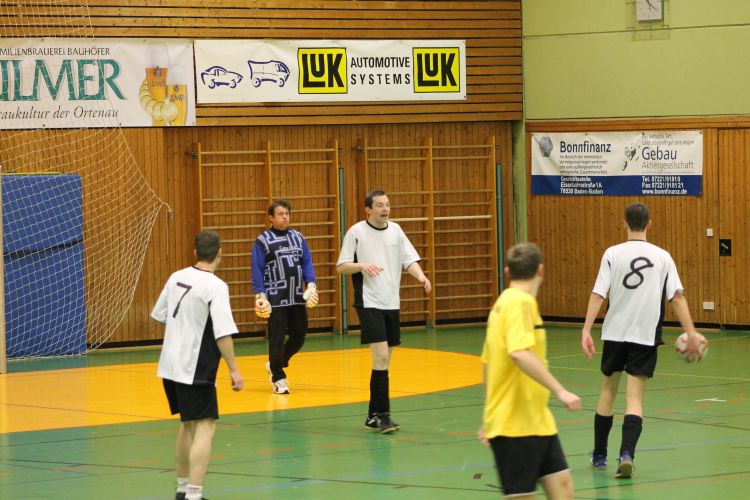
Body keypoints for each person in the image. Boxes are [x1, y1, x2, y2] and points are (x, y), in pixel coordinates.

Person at [581, 202, 703, 479]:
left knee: (607, 392)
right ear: (649, 223)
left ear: (624, 223)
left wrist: (586, 329)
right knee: (634, 398)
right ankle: (627, 455)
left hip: (615, 333)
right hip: (645, 336)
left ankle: (599, 455)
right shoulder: (663, 257)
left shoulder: (612, 253)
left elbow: (598, 294)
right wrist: (691, 333)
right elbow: (677, 298)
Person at [478, 242, 581, 499]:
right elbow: (519, 352)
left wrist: (488, 415)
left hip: (538, 421)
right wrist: (560, 390)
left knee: (563, 487)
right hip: (515, 426)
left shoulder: (503, 303)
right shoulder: (519, 303)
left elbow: (487, 362)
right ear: (541, 270)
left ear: (507, 272)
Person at [151, 229, 244, 500]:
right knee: (205, 426)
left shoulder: (176, 277)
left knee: (187, 424)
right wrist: (234, 369)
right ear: (220, 253)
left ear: (195, 252)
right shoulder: (216, 286)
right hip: (195, 366)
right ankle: (194, 494)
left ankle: (182, 489)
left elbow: (160, 314)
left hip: (170, 364)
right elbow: (223, 333)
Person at [336, 189, 431, 434]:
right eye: (379, 205)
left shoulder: (396, 230)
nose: (385, 209)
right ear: (368, 210)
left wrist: (421, 276)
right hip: (369, 301)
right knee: (380, 356)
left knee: (384, 361)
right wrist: (362, 266)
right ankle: (383, 415)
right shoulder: (356, 232)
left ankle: (372, 415)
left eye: (387, 204)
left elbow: (408, 260)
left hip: (391, 302)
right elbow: (342, 266)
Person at [252, 199, 318, 395]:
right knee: (277, 338)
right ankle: (278, 378)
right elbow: (257, 268)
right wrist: (259, 294)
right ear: (271, 218)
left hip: (296, 296)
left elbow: (306, 262)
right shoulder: (263, 241)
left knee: (299, 335)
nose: (285, 217)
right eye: (280, 214)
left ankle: (276, 363)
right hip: (275, 298)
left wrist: (311, 284)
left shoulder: (298, 237)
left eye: (287, 214)